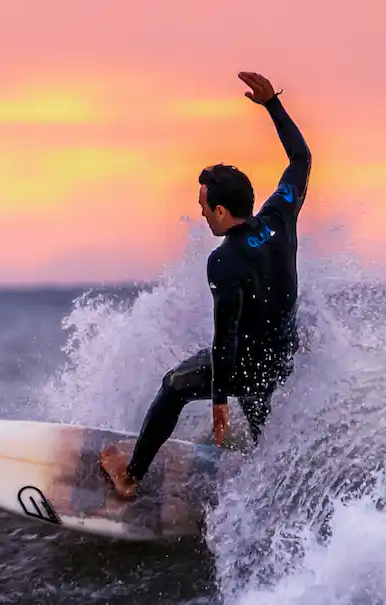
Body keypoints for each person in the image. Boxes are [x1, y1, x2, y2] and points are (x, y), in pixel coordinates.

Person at [100, 71, 312, 500]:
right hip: (284, 354)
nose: (199, 214)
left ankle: (130, 478)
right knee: (259, 414)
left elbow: (226, 335)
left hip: (249, 361)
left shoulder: (224, 260)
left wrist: (218, 400)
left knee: (173, 386)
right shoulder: (279, 218)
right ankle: (269, 491)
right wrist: (273, 104)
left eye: (202, 207)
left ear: (219, 210)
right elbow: (301, 159)